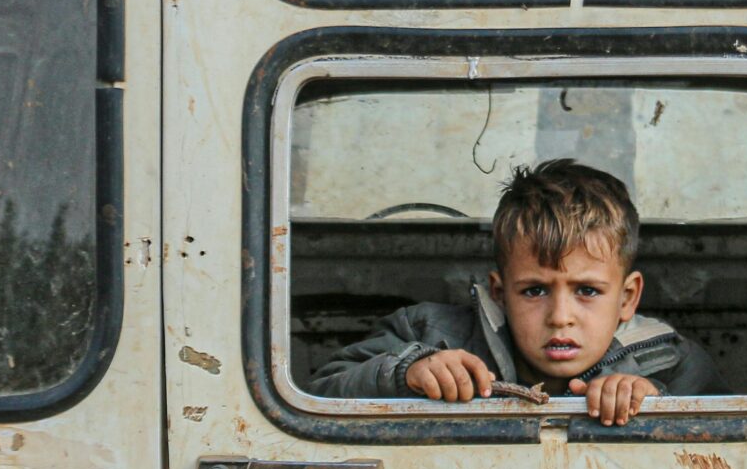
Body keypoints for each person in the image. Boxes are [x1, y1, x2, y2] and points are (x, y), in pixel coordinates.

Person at [309, 158, 721, 425]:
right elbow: (320, 394)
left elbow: (730, 445)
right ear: (499, 292)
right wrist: (407, 372)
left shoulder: (666, 360)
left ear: (628, 297)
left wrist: (654, 403)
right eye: (535, 291)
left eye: (588, 291)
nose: (561, 316)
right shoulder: (430, 333)